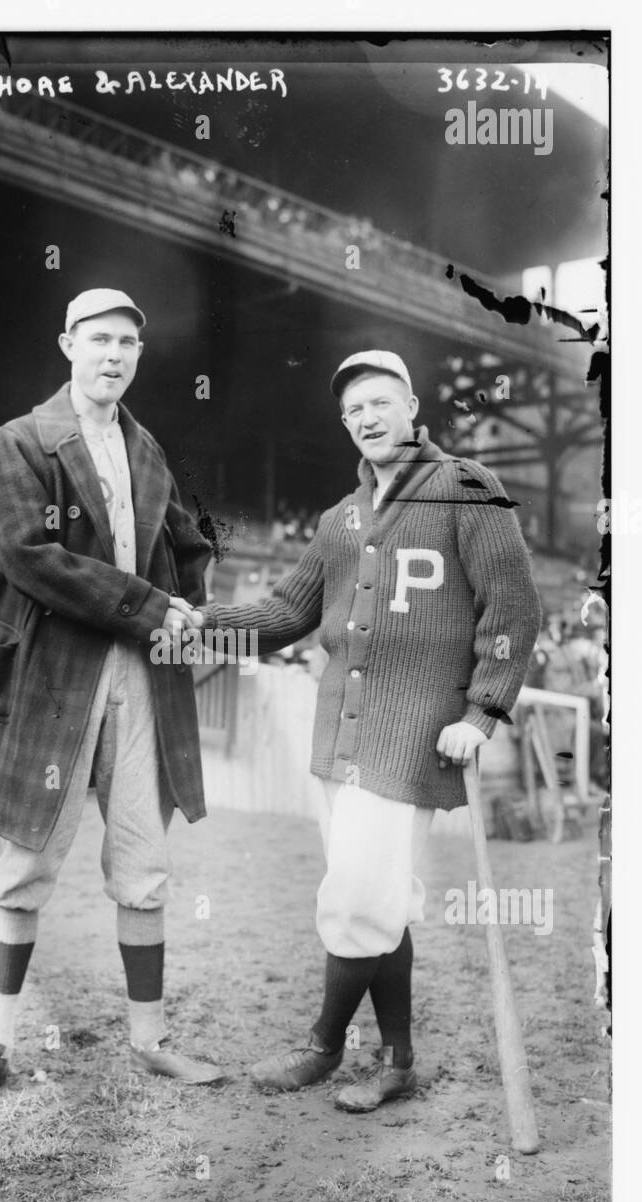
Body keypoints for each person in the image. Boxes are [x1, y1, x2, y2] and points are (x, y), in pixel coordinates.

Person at [186, 349, 541, 1111]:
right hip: (337, 735)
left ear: (412, 405)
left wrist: (481, 713)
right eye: (353, 411)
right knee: (377, 898)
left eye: (381, 402)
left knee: (355, 900)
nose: (367, 418)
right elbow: (285, 614)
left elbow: (511, 609)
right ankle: (396, 1061)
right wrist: (201, 622)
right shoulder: (338, 520)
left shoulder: (467, 489)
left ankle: (320, 1047)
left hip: (413, 735)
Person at [0, 287, 224, 1104]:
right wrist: (154, 605)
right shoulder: (23, 439)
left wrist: (190, 604)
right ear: (67, 345)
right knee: (23, 862)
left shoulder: (147, 448)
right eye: (99, 340)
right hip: (55, 672)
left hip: (138, 676)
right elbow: (28, 555)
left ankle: (151, 1038)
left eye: (127, 342)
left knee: (143, 862)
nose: (114, 355)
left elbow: (190, 545)